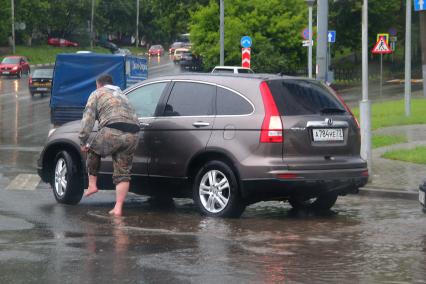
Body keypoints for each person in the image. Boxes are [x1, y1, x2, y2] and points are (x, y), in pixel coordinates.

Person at [79, 74, 140, 216]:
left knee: (93, 150)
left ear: (99, 84)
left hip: (112, 129)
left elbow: (88, 119)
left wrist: (83, 141)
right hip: (134, 133)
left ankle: (92, 185)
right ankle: (118, 208)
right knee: (123, 173)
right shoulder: (123, 95)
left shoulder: (97, 93)